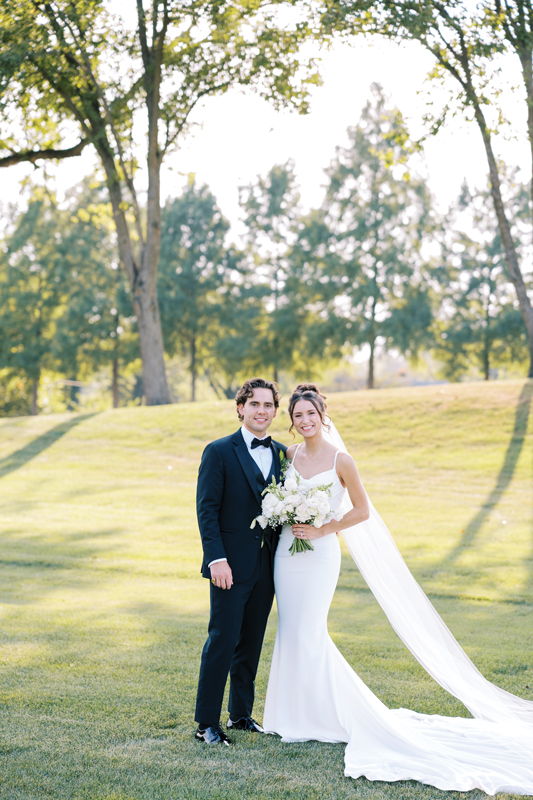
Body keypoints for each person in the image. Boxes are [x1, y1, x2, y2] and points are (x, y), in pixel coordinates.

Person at [263, 383, 533, 795]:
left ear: (322, 415)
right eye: (297, 415)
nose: (304, 421)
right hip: (288, 554)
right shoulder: (290, 455)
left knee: (311, 631)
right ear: (292, 420)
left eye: (310, 414)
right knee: (291, 629)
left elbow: (362, 510)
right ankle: (290, 715)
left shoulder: (341, 459)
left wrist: (324, 528)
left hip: (319, 556)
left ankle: (323, 716)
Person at [195, 377, 287, 745]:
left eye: (268, 405)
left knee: (251, 642)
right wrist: (216, 559)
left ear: (275, 411)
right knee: (222, 640)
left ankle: (240, 715)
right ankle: (206, 725)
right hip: (229, 566)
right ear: (240, 408)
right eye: (254, 404)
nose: (261, 411)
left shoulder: (283, 454)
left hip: (268, 567)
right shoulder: (218, 451)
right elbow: (207, 510)